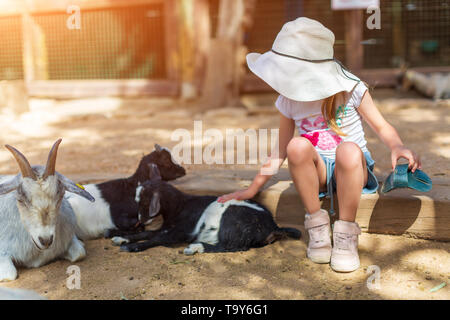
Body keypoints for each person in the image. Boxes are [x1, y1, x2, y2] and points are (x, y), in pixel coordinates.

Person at [218, 17, 421, 272]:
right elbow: (280, 151)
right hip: (319, 174)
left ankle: (346, 234)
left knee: (347, 149)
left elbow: (381, 126)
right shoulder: (289, 99)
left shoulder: (351, 88)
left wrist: (397, 146)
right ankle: (317, 224)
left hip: (352, 168)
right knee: (296, 146)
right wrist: (252, 189)